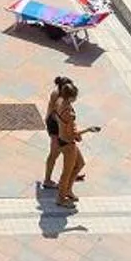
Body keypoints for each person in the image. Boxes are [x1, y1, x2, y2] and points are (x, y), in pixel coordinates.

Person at [51, 81, 96, 209]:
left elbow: (56, 117)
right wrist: (88, 130)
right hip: (68, 143)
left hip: (61, 139)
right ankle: (61, 198)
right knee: (67, 172)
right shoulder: (69, 114)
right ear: (71, 97)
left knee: (80, 164)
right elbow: (71, 134)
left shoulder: (59, 101)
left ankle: (68, 190)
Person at [41, 76, 78, 192]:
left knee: (63, 151)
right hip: (54, 126)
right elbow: (56, 115)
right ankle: (47, 180)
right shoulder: (57, 97)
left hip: (54, 124)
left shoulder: (61, 96)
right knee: (54, 153)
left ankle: (70, 172)